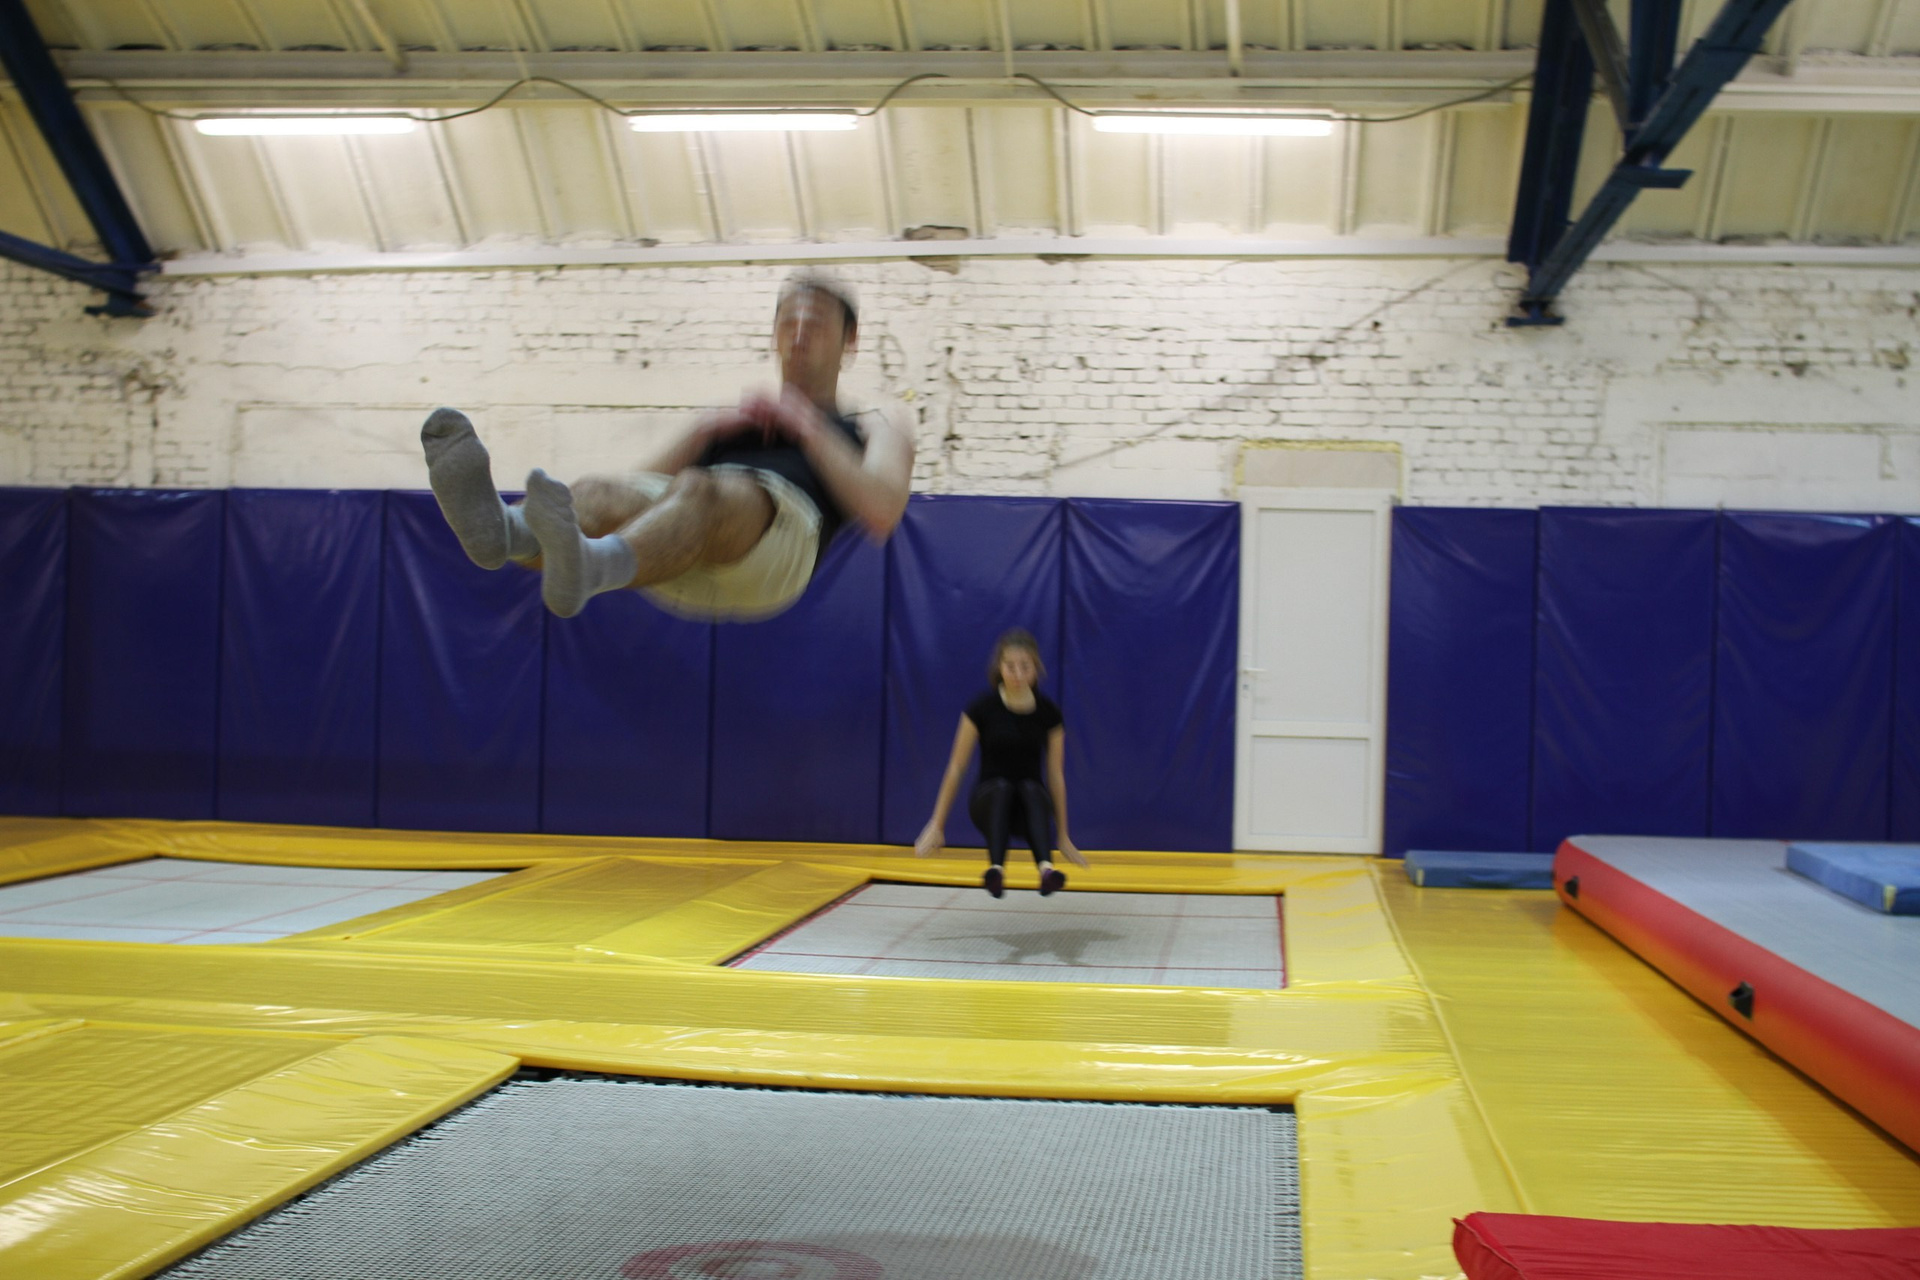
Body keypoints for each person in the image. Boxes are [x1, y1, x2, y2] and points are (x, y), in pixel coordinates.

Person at [419, 272, 913, 620]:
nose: (800, 335)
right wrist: (702, 430)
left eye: (817, 324)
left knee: (701, 488)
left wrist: (806, 424)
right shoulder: (733, 421)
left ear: (850, 341)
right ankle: (503, 532)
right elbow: (637, 486)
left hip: (776, 555)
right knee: (595, 491)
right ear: (773, 336)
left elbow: (883, 511)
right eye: (789, 323)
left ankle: (591, 566)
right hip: (670, 551)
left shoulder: (874, 421)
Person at [914, 630, 1088, 898]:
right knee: (1002, 787)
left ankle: (1046, 870)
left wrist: (1063, 835)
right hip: (989, 803)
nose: (1017, 674)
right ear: (999, 667)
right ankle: (996, 869)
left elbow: (1055, 775)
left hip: (1028, 811)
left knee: (1031, 788)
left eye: (1025, 667)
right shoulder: (981, 708)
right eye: (1010, 666)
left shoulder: (1049, 713)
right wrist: (937, 823)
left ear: (1036, 668)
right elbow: (956, 768)